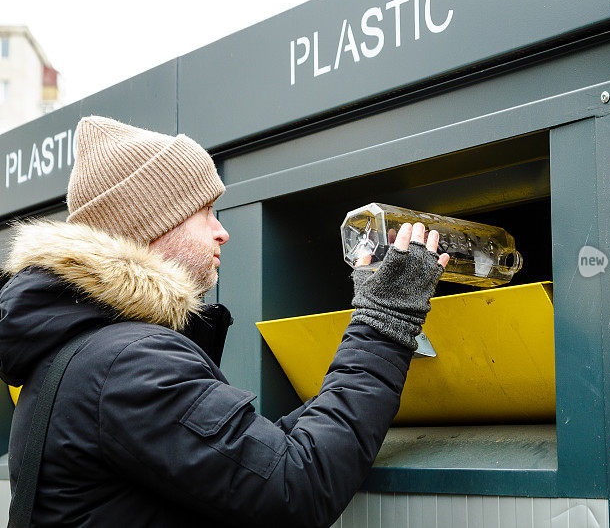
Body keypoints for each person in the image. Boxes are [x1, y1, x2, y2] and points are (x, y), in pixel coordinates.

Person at [0, 116, 449, 527]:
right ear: (153, 224)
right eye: (206, 211)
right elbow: (296, 485)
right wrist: (385, 317)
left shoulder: (86, 355)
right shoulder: (128, 366)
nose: (222, 231)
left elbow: (259, 458)